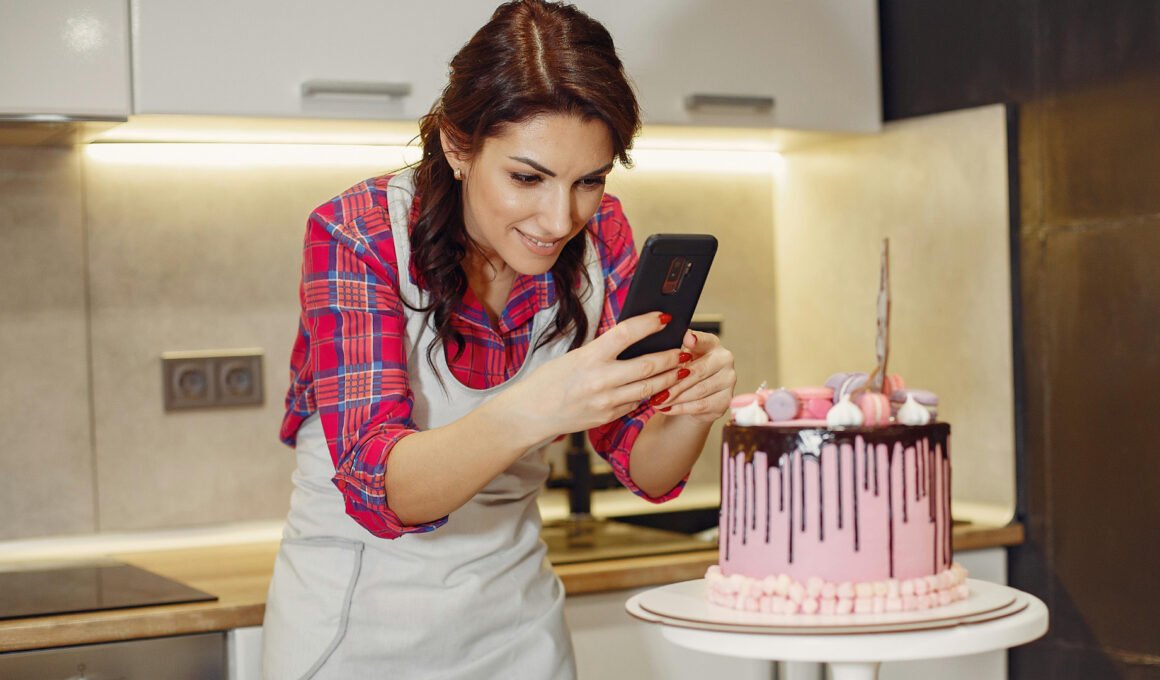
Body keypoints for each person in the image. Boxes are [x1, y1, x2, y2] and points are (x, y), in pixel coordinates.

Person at [261, 1, 736, 678]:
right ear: (458, 147)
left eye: (589, 181)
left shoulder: (603, 235)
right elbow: (379, 489)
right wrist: (538, 408)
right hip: (356, 628)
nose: (560, 218)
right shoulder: (357, 235)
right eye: (527, 177)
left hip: (517, 629)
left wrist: (692, 409)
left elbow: (647, 472)